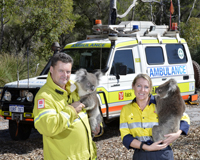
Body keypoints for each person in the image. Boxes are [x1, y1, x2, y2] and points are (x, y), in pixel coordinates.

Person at [33, 52, 101, 160]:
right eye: (61, 71)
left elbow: (87, 113)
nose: (65, 75)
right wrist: (71, 110)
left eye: (68, 71)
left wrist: (96, 126)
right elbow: (48, 128)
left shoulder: (73, 88)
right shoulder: (44, 97)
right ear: (51, 70)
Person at [119, 74, 190, 160]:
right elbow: (126, 137)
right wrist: (147, 147)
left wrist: (178, 133)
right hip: (140, 154)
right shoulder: (126, 110)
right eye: (139, 86)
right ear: (133, 86)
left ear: (150, 89)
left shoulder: (162, 101)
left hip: (163, 153)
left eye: (146, 87)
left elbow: (184, 117)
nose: (142, 90)